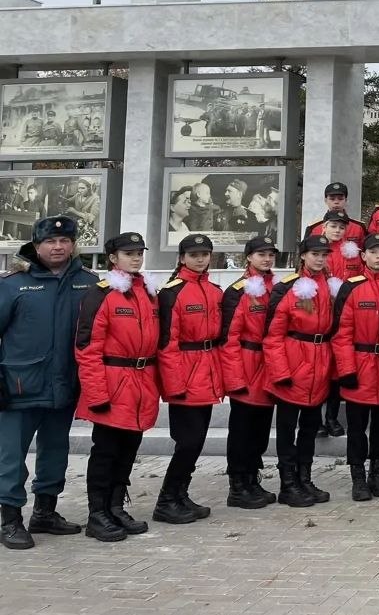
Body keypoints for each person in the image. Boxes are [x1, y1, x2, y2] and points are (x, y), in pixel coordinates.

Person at [0, 216, 97, 549]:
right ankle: (10, 520)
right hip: (18, 387)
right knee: (11, 456)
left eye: (64, 241)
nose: (58, 247)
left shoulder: (88, 282)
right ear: (36, 245)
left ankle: (45, 512)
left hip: (65, 384)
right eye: (50, 242)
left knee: (56, 450)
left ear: (73, 244)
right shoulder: (12, 284)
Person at [75, 232, 160, 542]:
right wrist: (97, 394)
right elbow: (87, 348)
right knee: (106, 452)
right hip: (112, 384)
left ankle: (115, 507)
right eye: (128, 253)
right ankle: (97, 515)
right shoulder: (101, 294)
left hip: (141, 384)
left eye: (139, 252)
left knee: (127, 451)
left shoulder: (148, 292)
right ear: (113, 258)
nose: (136, 258)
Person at [154, 233, 224, 525]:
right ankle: (166, 500)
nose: (200, 259)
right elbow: (167, 344)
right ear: (182, 258)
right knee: (187, 442)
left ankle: (180, 495)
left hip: (207, 373)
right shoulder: (172, 292)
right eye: (194, 255)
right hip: (184, 375)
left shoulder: (215, 291)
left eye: (204, 254)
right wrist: (174, 385)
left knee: (196, 442)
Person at [264, 234, 338, 507]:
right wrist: (281, 372)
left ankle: (304, 478)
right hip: (293, 367)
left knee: (309, 428)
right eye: (315, 254)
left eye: (324, 255)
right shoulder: (287, 288)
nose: (320, 259)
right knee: (287, 430)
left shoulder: (330, 288)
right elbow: (273, 336)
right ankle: (288, 484)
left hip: (319, 367)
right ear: (303, 256)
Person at [332, 233, 379, 502]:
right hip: (359, 367)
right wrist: (346, 370)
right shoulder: (351, 287)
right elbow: (341, 334)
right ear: (363, 256)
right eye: (373, 251)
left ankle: (377, 474)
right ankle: (358, 477)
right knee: (357, 428)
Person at [219, 235, 279, 510]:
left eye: (270, 254)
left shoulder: (277, 287)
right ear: (249, 257)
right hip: (246, 366)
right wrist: (234, 378)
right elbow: (229, 339)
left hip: (268, 367)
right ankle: (237, 485)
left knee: (260, 430)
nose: (266, 259)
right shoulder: (238, 291)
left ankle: (252, 480)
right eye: (261, 254)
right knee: (242, 430)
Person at [304, 181, 367, 247]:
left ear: (346, 200)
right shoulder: (314, 228)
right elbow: (306, 251)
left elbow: (366, 251)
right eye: (332, 199)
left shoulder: (358, 227)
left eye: (340, 199)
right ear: (325, 200)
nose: (336, 202)